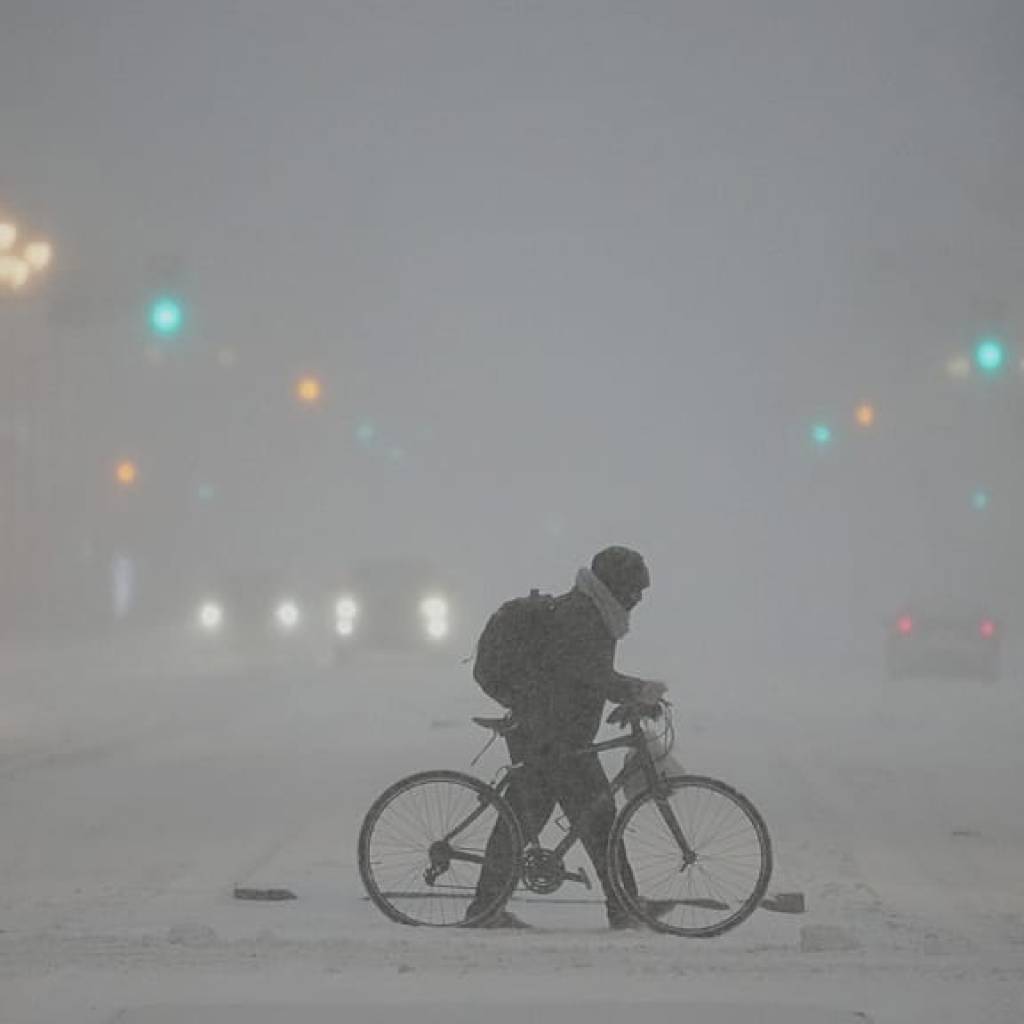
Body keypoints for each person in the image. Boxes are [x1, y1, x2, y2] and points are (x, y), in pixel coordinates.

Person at [465, 545, 668, 929]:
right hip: (553, 739)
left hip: (553, 734)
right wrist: (635, 691)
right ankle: (624, 907)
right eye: (634, 589)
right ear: (615, 585)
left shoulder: (593, 612)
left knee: (533, 822)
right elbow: (588, 672)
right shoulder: (583, 616)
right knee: (594, 821)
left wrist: (626, 696)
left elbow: (583, 678)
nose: (638, 599)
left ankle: (486, 908)